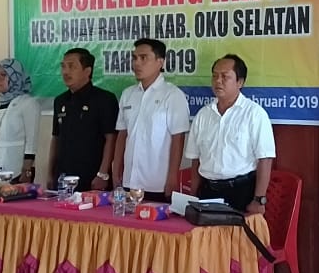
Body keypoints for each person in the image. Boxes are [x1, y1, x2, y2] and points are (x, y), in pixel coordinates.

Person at [184, 54, 276, 213]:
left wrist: (259, 199)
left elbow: (265, 159)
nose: (218, 81)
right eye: (215, 76)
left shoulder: (254, 114)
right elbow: (196, 159)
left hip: (241, 192)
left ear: (240, 82)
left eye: (225, 76)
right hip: (207, 191)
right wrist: (193, 195)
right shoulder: (203, 115)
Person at [112, 39, 190, 201]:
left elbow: (178, 139)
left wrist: (172, 177)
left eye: (143, 58)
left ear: (160, 62)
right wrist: (116, 169)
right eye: (134, 58)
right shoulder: (128, 94)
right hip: (129, 180)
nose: (137, 63)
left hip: (157, 182)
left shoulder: (172, 95)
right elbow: (122, 135)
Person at [48, 48, 118, 192]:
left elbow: (111, 139)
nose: (66, 72)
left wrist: (103, 174)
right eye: (63, 66)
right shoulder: (60, 101)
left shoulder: (104, 99)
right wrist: (50, 173)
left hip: (92, 178)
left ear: (87, 71)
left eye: (72, 66)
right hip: (63, 178)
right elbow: (56, 138)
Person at [0, 58, 40, 182]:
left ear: (15, 77)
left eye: (3, 75)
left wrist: (27, 169)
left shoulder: (28, 103)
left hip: (16, 168)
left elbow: (31, 141)